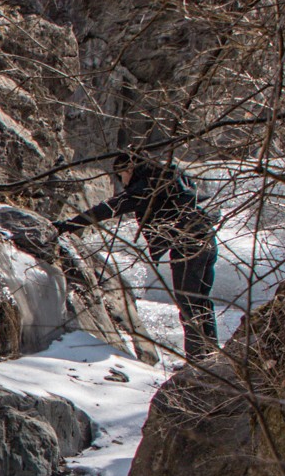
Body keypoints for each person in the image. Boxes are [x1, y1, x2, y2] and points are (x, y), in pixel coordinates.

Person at [59, 152, 219, 358]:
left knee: (188, 306)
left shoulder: (144, 187)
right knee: (202, 302)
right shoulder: (172, 175)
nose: (122, 181)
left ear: (129, 168)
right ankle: (212, 355)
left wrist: (69, 225)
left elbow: (109, 209)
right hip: (207, 238)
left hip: (186, 245)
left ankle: (197, 360)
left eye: (120, 175)